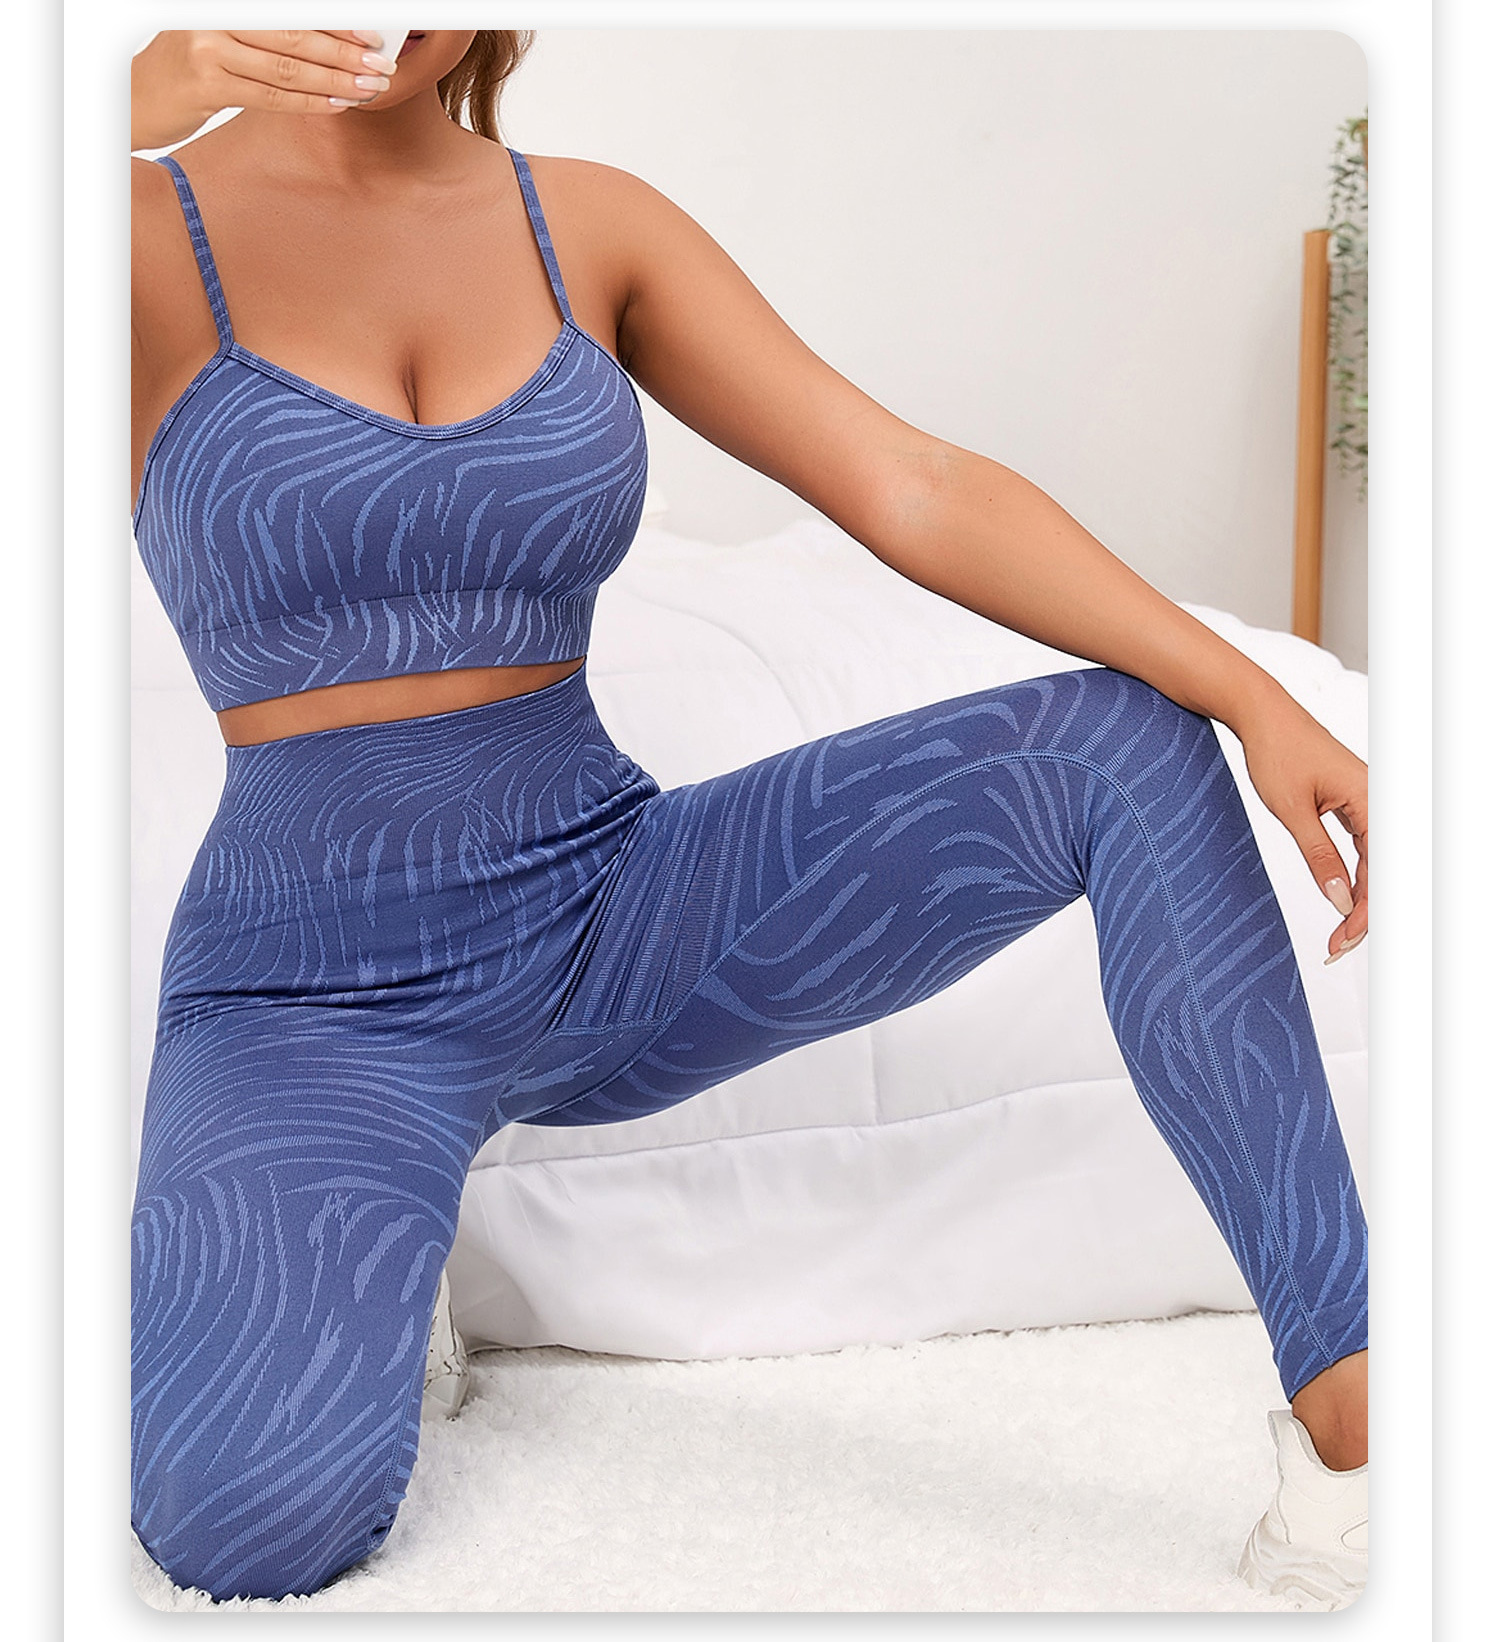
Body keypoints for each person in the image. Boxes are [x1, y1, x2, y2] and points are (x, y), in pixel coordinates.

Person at [128, 28, 1370, 1609]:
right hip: (309, 1002)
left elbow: (910, 482)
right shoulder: (121, 218)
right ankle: (380, 1230)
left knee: (1125, 747)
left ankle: (1360, 1429)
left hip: (608, 916)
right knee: (244, 1531)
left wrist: (1253, 692)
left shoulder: (588, 224)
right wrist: (129, 87)